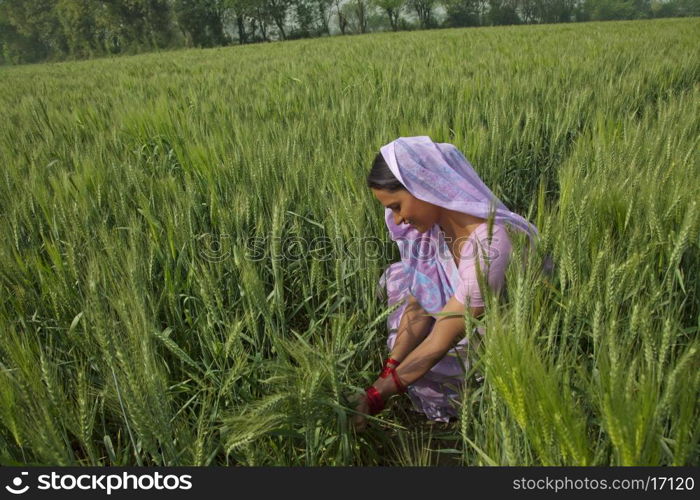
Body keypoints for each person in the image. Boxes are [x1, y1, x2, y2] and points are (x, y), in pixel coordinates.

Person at [351, 136, 539, 431]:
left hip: (494, 335)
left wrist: (378, 393)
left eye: (398, 206)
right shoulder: (434, 232)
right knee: (401, 285)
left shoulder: (491, 244)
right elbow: (418, 304)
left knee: (432, 364)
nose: (397, 220)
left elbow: (442, 337)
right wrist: (392, 366)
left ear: (423, 185)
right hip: (458, 317)